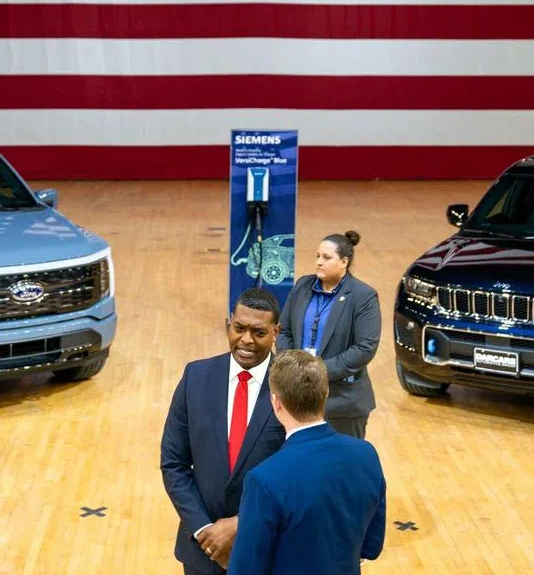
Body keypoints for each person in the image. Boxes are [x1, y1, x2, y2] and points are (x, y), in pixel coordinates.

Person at [161, 288, 288, 574]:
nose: (246, 340)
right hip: (201, 550)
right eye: (238, 328)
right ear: (229, 322)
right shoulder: (195, 376)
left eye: (258, 332)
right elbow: (174, 463)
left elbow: (301, 476)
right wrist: (206, 531)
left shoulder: (292, 386)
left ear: (276, 331)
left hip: (268, 551)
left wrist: (242, 525)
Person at [227, 350, 386, 575]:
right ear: (326, 393)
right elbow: (372, 546)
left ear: (276, 402)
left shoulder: (264, 479)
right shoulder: (366, 455)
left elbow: (246, 569)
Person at [276, 230, 381, 438]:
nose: (318, 263)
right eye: (317, 256)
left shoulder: (363, 296)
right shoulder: (302, 286)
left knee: (342, 467)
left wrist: (318, 372)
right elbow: (284, 331)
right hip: (297, 395)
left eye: (326, 257)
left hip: (342, 403)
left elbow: (364, 348)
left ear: (344, 262)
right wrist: (292, 367)